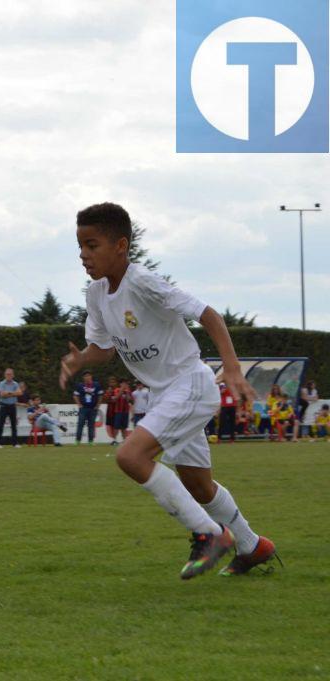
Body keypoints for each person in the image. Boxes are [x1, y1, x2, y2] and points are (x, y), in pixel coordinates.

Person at [60, 202, 277, 579]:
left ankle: (210, 535)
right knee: (199, 486)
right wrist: (82, 361)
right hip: (166, 394)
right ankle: (252, 545)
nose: (83, 255)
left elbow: (209, 314)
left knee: (130, 457)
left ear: (121, 246)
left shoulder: (142, 281)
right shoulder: (95, 295)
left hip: (190, 384)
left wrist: (231, 367)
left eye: (92, 245)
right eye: (80, 246)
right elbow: (106, 348)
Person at [73, 371, 104, 444]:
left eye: (88, 375)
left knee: (91, 424)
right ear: (83, 378)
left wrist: (98, 405)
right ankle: (77, 440)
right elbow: (75, 395)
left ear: (91, 376)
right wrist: (79, 404)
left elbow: (100, 395)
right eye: (85, 376)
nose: (87, 377)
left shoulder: (96, 385)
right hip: (83, 408)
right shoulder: (80, 385)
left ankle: (90, 441)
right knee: (80, 423)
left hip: (93, 408)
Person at [0, 368, 21, 449]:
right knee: (1, 425)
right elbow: (2, 394)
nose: (8, 376)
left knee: (14, 425)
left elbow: (19, 393)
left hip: (12, 406)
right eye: (7, 374)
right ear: (5, 375)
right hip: (4, 406)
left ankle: (15, 443)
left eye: (10, 374)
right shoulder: (2, 383)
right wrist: (13, 393)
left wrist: (8, 393)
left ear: (13, 375)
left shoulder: (15, 384)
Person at [110, 379, 132, 443]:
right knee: (116, 426)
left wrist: (127, 392)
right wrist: (122, 390)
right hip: (118, 411)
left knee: (124, 427)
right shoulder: (117, 390)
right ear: (120, 384)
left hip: (126, 411)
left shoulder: (128, 391)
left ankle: (124, 440)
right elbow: (116, 398)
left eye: (125, 383)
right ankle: (114, 440)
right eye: (123, 383)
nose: (124, 385)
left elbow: (129, 400)